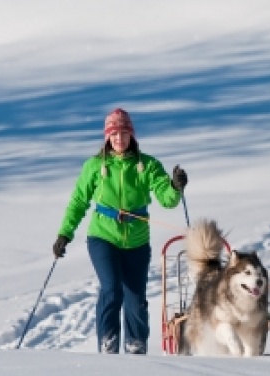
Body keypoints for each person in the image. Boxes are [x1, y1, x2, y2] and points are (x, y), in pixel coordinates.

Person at [53, 107, 188, 354]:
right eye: (114, 134)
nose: (119, 139)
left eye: (123, 133)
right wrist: (65, 234)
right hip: (103, 237)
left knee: (135, 299)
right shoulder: (95, 166)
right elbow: (78, 202)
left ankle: (136, 343)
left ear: (132, 136)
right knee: (112, 288)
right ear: (107, 137)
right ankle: (108, 339)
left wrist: (175, 187)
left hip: (136, 242)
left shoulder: (147, 165)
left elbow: (166, 199)